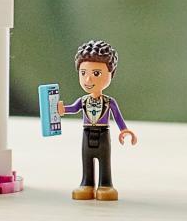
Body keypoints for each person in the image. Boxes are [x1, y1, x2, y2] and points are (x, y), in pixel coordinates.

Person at [54, 39, 136, 200]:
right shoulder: (83, 100)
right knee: (86, 159)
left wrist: (124, 130)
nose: (88, 80)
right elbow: (73, 108)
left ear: (111, 74)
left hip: (103, 134)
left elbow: (117, 117)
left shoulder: (109, 102)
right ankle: (87, 183)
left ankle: (106, 184)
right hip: (86, 133)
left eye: (96, 73)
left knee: (105, 161)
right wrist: (62, 109)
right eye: (83, 73)